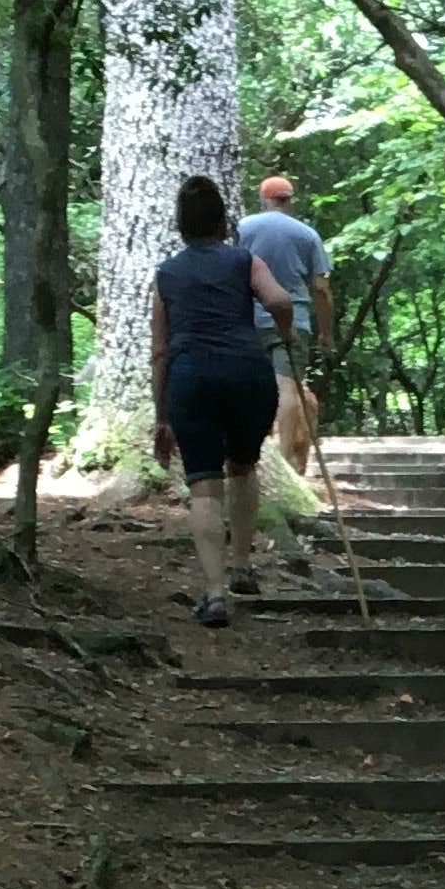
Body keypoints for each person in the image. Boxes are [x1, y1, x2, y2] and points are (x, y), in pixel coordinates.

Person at [150, 175, 299, 624]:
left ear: (182, 226)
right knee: (244, 464)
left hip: (190, 377)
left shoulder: (166, 275)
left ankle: (215, 595)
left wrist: (162, 416)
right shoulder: (245, 262)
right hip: (247, 374)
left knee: (203, 485)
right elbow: (281, 301)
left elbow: (159, 349)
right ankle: (241, 565)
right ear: (223, 221)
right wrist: (285, 337)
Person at [236, 173, 334, 475]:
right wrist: (326, 332)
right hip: (294, 321)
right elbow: (320, 287)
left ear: (264, 199)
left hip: (248, 319)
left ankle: (248, 456)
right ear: (289, 200)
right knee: (288, 388)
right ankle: (281, 464)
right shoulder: (307, 235)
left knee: (248, 388)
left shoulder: (242, 228)